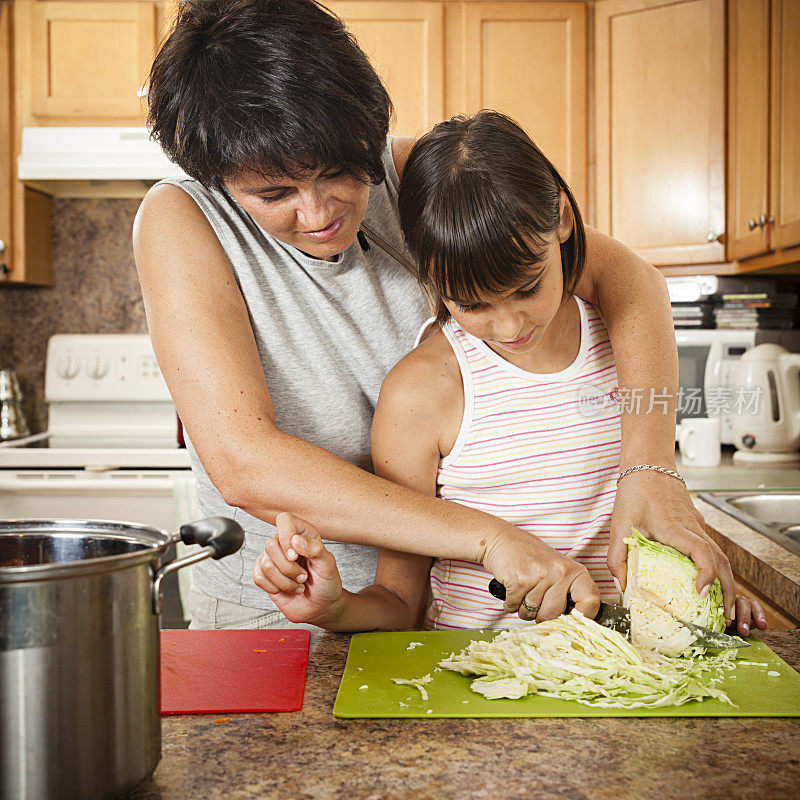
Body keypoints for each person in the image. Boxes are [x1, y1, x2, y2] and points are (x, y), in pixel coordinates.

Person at [134, 0, 740, 636]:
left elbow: (628, 279)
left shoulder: (421, 178)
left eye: (339, 171)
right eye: (275, 194)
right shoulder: (182, 222)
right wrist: (486, 540)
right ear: (219, 177)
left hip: (427, 614)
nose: (317, 214)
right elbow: (246, 464)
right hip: (281, 610)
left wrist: (650, 470)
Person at [253, 112, 766, 637]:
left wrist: (704, 594)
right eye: (472, 304)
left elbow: (659, 497)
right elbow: (399, 603)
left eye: (526, 287)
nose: (509, 325)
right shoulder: (419, 394)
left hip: (630, 680)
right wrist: (336, 609)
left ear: (562, 219)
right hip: (478, 687)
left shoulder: (629, 342)